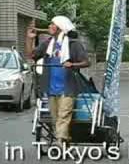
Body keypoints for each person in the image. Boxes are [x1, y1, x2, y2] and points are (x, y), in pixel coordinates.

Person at [26, 16, 89, 146]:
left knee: (64, 115)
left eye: (52, 24)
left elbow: (86, 62)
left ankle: (59, 141)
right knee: (55, 118)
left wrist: (72, 65)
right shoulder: (48, 43)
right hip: (51, 86)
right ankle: (65, 139)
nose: (49, 26)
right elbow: (32, 55)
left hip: (68, 86)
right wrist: (30, 39)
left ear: (60, 28)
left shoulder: (73, 44)